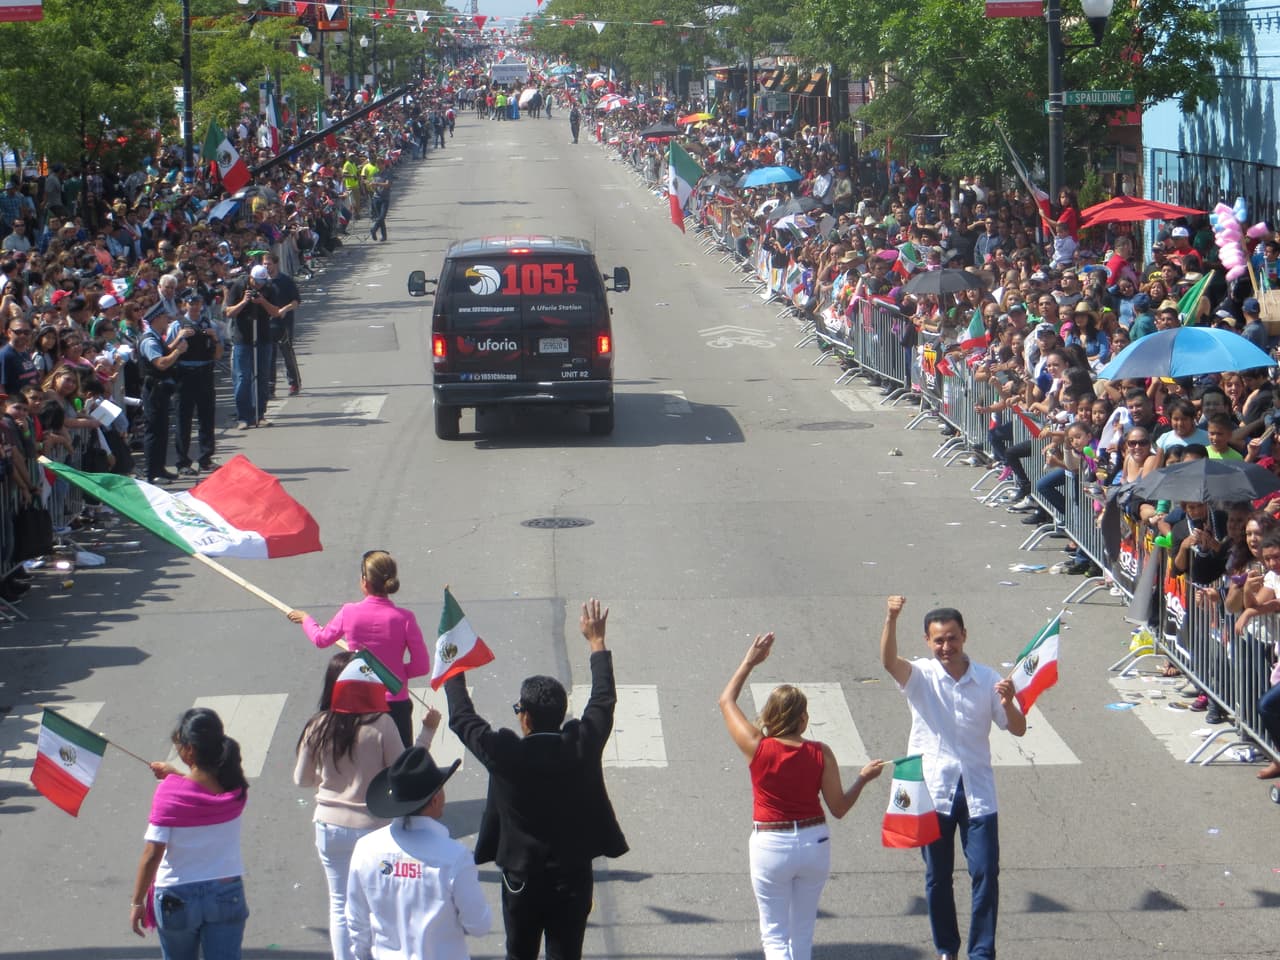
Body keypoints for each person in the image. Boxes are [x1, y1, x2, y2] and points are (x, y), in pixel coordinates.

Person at [445, 598, 628, 960]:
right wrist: (596, 643)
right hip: (572, 878)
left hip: (521, 879)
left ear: (524, 716)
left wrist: (453, 665)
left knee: (520, 954)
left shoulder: (505, 753)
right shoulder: (581, 744)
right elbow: (603, 700)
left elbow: (462, 717)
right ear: (562, 714)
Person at [718, 632, 885, 960]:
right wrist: (863, 779)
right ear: (804, 719)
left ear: (769, 716)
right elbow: (838, 808)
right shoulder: (820, 752)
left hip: (770, 845)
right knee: (802, 934)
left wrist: (750, 661)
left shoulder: (757, 747)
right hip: (814, 844)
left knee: (775, 936)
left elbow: (726, 700)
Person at [879, 596, 1026, 960]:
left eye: (952, 638)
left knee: (985, 875)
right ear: (928, 643)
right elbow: (888, 662)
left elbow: (1019, 729)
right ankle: (947, 949)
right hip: (934, 792)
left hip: (978, 793)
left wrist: (1008, 702)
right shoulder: (921, 676)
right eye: (939, 641)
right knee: (937, 878)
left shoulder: (988, 679)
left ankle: (981, 952)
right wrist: (891, 618)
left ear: (964, 636)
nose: (947, 647)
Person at [294, 650, 442, 960]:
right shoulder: (382, 724)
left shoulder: (317, 725)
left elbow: (301, 779)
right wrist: (427, 731)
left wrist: (329, 776)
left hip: (329, 826)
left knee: (340, 903)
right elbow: (404, 772)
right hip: (375, 828)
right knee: (381, 903)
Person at [346, 746, 491, 959]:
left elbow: (357, 923)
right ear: (434, 800)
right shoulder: (455, 857)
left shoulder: (366, 849)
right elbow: (479, 925)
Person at [130, 708, 250, 959]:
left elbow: (152, 853)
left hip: (177, 898)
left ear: (190, 750)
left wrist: (138, 902)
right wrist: (178, 775)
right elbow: (202, 791)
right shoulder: (235, 789)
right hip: (226, 893)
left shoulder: (170, 793)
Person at [287, 550, 431, 747]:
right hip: (395, 704)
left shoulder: (349, 612)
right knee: (400, 766)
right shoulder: (405, 618)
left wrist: (306, 619)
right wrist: (396, 674)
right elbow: (421, 666)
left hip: (359, 701)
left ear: (365, 581)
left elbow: (321, 639)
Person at [168, 289, 222, 475]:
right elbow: (167, 350)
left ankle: (206, 458)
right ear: (185, 304)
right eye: (191, 303)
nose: (195, 307)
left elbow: (218, 354)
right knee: (183, 419)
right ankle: (183, 461)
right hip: (185, 373)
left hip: (205, 372)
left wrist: (214, 338)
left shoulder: (209, 324)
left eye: (198, 303)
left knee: (207, 417)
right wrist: (179, 337)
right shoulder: (177, 325)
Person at [139, 296, 192, 483]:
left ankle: (159, 468)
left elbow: (164, 351)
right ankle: (151, 472)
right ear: (155, 319)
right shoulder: (149, 341)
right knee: (154, 431)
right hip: (153, 389)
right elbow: (160, 363)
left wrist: (175, 347)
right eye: (163, 317)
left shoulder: (156, 338)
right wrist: (178, 352)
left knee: (162, 430)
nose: (167, 320)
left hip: (161, 390)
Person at [223, 264, 275, 430]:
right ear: (251, 278)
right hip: (243, 338)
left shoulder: (269, 287)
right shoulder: (239, 286)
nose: (260, 286)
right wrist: (244, 302)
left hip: (263, 337)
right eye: (257, 282)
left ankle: (260, 414)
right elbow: (228, 312)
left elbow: (276, 312)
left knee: (262, 376)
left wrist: (262, 301)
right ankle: (243, 416)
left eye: (262, 282)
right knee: (243, 378)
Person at [264, 254, 302, 397]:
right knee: (269, 355)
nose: (267, 267)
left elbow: (296, 301)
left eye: (269, 264)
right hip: (267, 323)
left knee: (287, 353)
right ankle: (270, 386)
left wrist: (285, 309)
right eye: (264, 264)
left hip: (284, 323)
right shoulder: (262, 282)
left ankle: (294, 383)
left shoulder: (285, 280)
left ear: (276, 264)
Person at [368, 175, 389, 244]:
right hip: (376, 198)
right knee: (380, 218)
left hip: (385, 198)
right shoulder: (375, 175)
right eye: (377, 164)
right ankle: (384, 236)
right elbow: (373, 188)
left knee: (382, 216)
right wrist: (372, 185)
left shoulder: (387, 173)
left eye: (380, 164)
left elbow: (387, 185)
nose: (378, 166)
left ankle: (374, 229)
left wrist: (376, 184)